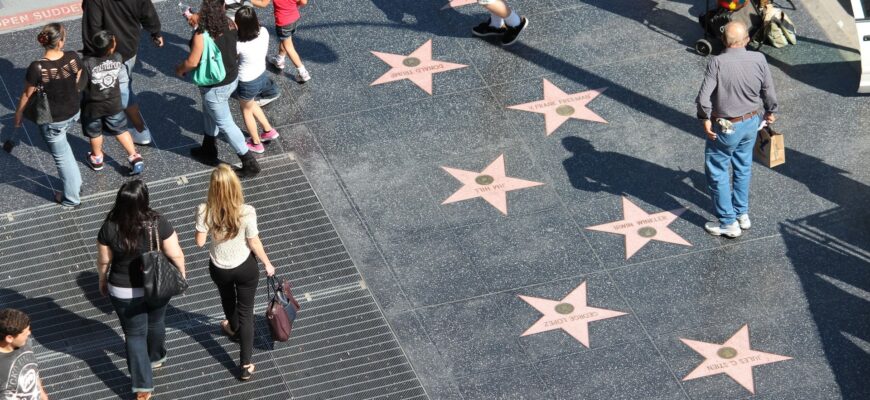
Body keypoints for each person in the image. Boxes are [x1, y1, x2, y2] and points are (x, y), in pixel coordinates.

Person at [96, 180, 186, 400]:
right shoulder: (158, 222)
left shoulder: (109, 226)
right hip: (157, 285)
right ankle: (155, 358)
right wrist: (181, 275)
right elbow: (175, 253)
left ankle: (143, 388)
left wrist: (102, 280)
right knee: (156, 322)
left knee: (134, 335)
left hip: (123, 290)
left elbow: (104, 261)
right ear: (144, 200)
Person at [695, 21, 778, 238]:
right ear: (747, 40)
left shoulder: (717, 63)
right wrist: (770, 111)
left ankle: (728, 223)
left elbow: (704, 98)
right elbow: (768, 90)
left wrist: (704, 117)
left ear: (724, 41)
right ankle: (742, 214)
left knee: (717, 169)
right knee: (743, 165)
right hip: (751, 122)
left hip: (726, 126)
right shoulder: (759, 59)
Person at [195, 164, 276, 380]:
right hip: (245, 267)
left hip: (220, 268)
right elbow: (254, 242)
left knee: (227, 299)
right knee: (246, 312)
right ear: (235, 186)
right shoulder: (247, 212)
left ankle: (233, 328)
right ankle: (245, 365)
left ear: (212, 188)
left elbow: (200, 243)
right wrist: (267, 264)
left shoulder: (205, 210)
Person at [176, 0, 261, 177]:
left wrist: (180, 69)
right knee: (208, 111)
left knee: (226, 124)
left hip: (215, 85)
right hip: (230, 77)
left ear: (204, 9)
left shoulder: (202, 33)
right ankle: (208, 149)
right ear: (223, 7)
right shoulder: (231, 23)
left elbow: (192, 62)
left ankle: (249, 163)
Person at [14, 23, 83, 208]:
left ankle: (72, 197)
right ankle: (75, 186)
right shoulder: (74, 58)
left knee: (63, 157)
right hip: (74, 111)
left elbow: (27, 94)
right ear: (60, 42)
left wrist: (19, 113)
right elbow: (77, 79)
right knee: (66, 152)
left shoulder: (37, 68)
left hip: (54, 120)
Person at [82, 0, 164, 146]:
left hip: (104, 53)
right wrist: (155, 32)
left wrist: (91, 56)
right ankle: (116, 118)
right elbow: (147, 12)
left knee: (122, 91)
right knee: (122, 86)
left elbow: (92, 27)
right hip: (128, 48)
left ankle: (140, 129)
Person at [80, 30, 145, 175]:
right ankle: (134, 157)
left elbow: (81, 83)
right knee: (121, 129)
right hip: (113, 103)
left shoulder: (86, 62)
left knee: (95, 132)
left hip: (93, 106)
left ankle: (97, 159)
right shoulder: (117, 57)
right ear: (111, 48)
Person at [234, 6, 281, 154]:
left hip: (247, 81)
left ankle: (256, 143)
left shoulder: (239, 43)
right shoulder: (264, 32)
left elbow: (233, 58)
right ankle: (268, 130)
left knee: (246, 110)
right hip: (261, 74)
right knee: (251, 103)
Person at [0, 309, 49, 400]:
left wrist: (43, 395)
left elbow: (32, 370)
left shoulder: (25, 342)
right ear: (9, 338)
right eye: (24, 333)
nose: (29, 333)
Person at [263, 0, 311, 83]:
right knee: (286, 40)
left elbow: (263, 4)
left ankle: (303, 72)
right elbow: (303, 2)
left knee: (289, 47)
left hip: (283, 22)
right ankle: (279, 60)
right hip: (294, 17)